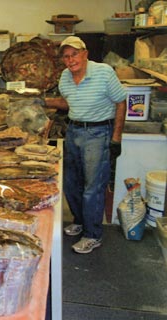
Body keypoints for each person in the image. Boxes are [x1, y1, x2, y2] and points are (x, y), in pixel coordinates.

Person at [44, 36, 127, 254]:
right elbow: (69, 102)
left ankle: (93, 235)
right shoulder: (65, 76)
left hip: (99, 133)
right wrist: (44, 101)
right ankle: (80, 221)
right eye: (66, 56)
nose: (71, 60)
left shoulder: (104, 72)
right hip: (74, 131)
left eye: (75, 54)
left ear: (85, 53)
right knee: (71, 182)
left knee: (92, 187)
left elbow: (120, 102)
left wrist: (116, 137)